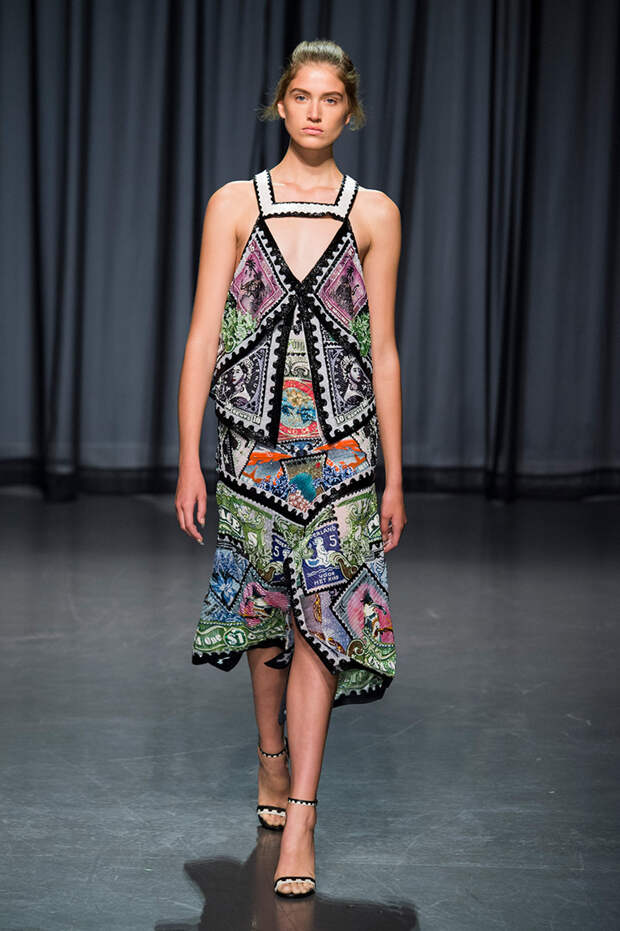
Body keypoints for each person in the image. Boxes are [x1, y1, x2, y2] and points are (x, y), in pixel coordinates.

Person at [175, 38, 406, 899]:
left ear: (350, 111)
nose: (315, 111)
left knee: (322, 621)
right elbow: (204, 333)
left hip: (344, 448)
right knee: (268, 616)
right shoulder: (236, 203)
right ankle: (270, 754)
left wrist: (395, 473)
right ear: (281, 105)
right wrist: (188, 456)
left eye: (330, 99)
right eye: (301, 96)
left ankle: (302, 811)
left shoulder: (374, 213)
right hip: (249, 446)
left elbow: (383, 350)